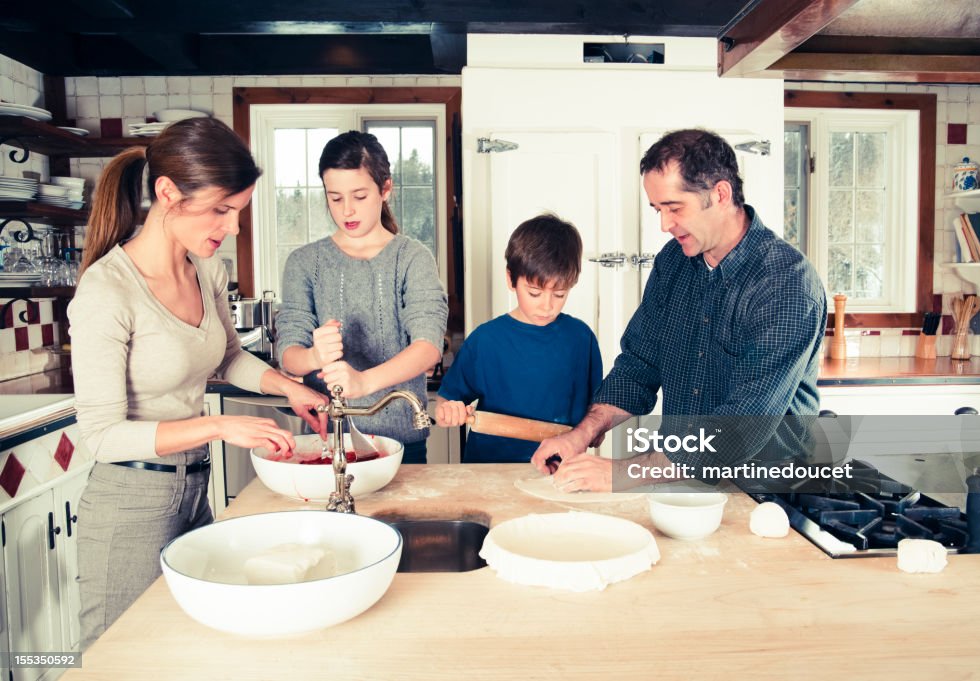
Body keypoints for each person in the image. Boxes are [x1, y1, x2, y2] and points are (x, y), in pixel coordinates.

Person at [69, 117, 329, 650]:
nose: (232, 228)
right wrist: (218, 425)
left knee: (185, 647)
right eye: (221, 209)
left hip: (193, 492)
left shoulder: (205, 271)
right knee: (118, 655)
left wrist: (288, 386)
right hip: (130, 500)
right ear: (168, 193)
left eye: (238, 211)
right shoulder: (108, 291)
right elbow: (101, 434)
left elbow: (229, 357)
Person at [530, 128, 828, 491]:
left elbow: (741, 428)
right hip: (683, 482)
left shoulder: (786, 284)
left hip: (765, 496)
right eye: (658, 209)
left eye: (674, 208)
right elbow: (638, 367)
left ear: (720, 194)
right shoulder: (674, 262)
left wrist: (624, 472)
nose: (664, 224)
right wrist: (582, 434)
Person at [275, 131, 447, 464]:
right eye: (335, 198)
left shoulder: (412, 257)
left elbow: (428, 347)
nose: (347, 210)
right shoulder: (304, 262)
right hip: (327, 443)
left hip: (402, 444)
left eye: (359, 196)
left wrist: (363, 381)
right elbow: (289, 354)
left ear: (385, 189)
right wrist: (314, 356)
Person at [434, 214, 603, 463]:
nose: (547, 306)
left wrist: (592, 433)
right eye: (534, 293)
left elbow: (596, 420)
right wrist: (448, 411)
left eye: (559, 294)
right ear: (510, 279)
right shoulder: (485, 341)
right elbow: (445, 401)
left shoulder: (581, 340)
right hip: (490, 473)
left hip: (558, 471)